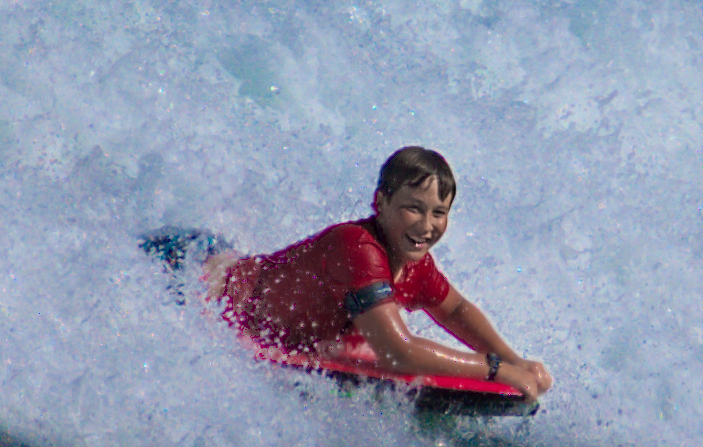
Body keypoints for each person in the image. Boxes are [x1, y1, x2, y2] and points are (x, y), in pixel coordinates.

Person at [204, 146, 552, 403]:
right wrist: (496, 369)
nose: (426, 226)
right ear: (380, 202)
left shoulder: (414, 263)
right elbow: (397, 351)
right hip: (198, 276)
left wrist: (515, 360)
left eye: (439, 213)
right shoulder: (357, 248)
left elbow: (454, 310)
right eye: (413, 208)